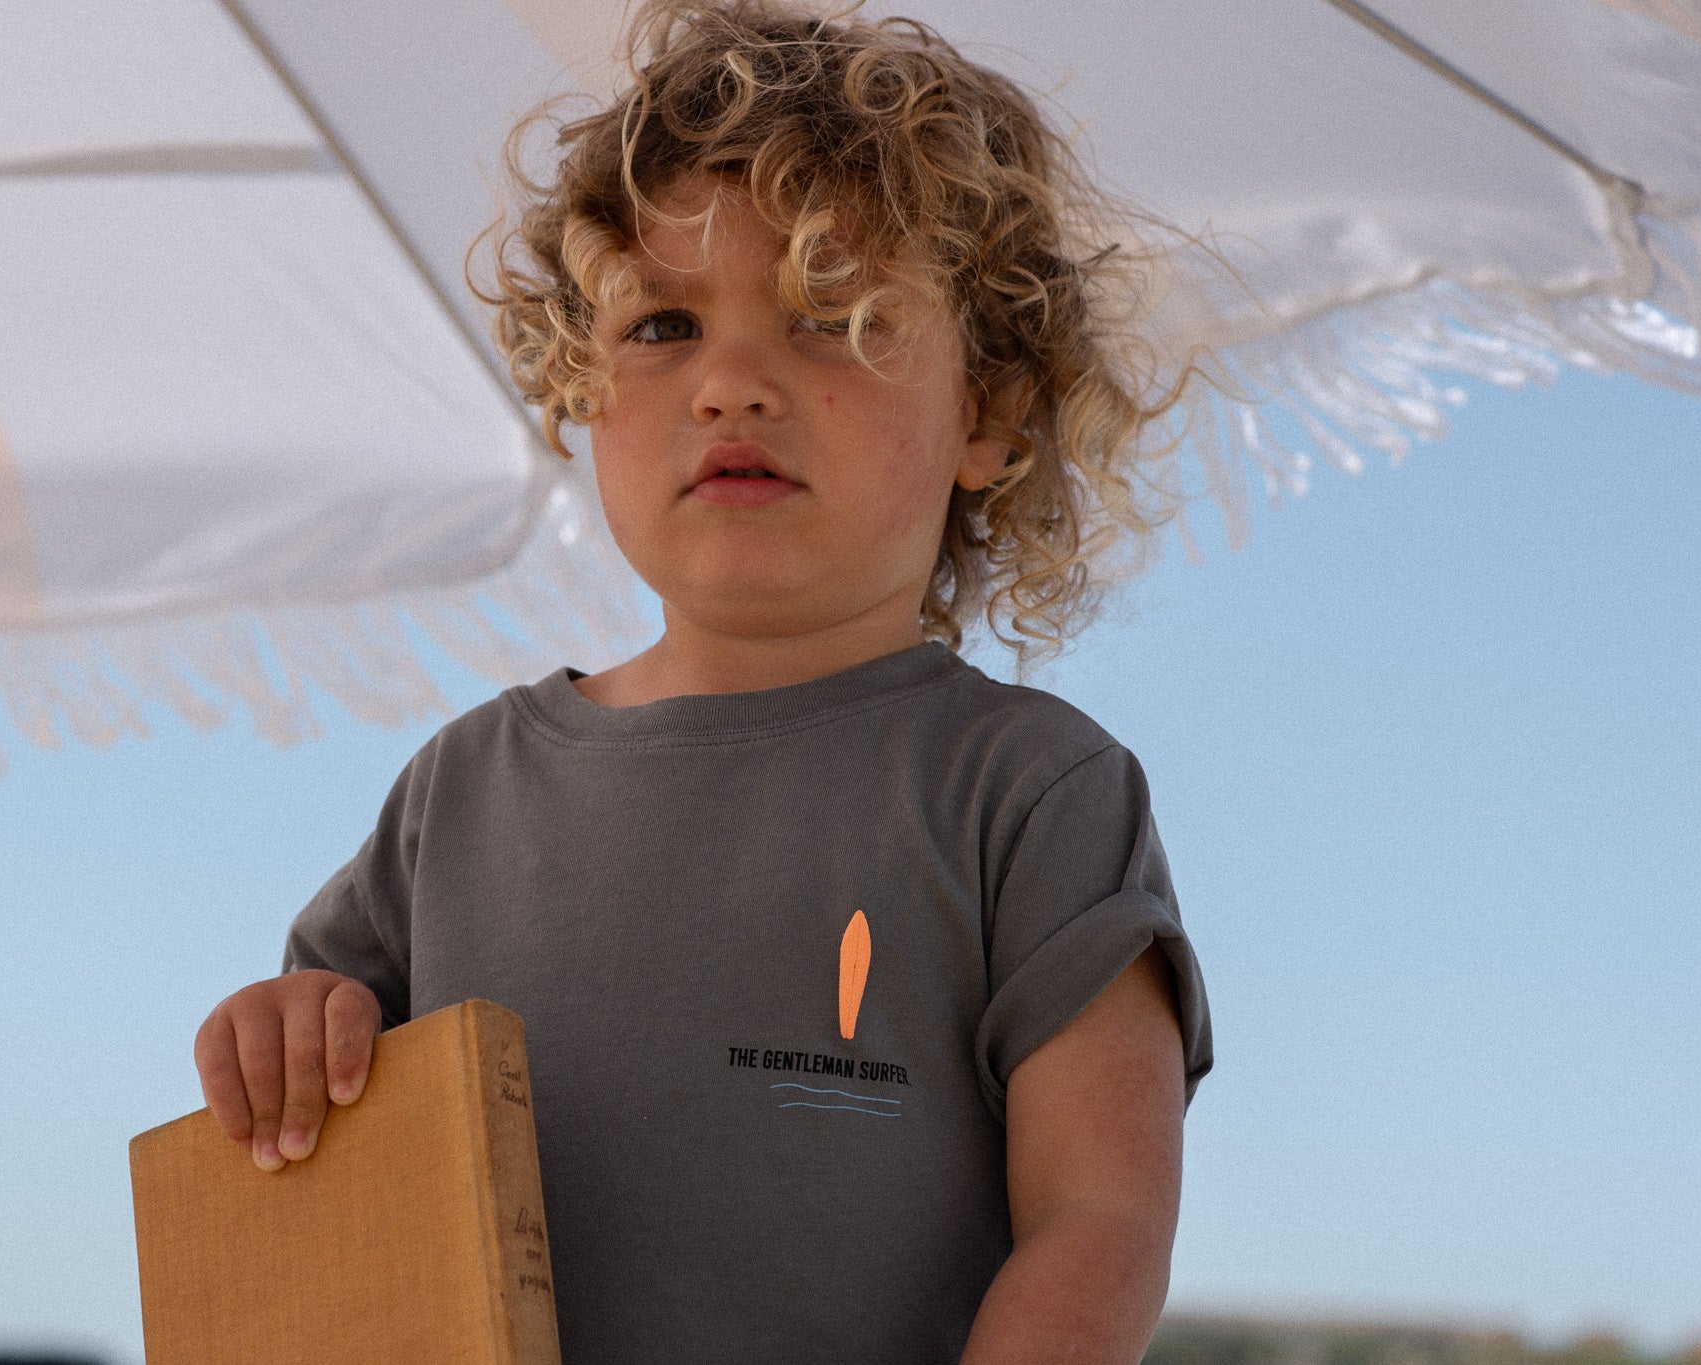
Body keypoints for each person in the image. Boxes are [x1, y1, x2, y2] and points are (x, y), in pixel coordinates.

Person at [193, 3, 1213, 1360]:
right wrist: (281, 1027)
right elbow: (315, 1104)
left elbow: (1100, 1219)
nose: (731, 382)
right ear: (579, 386)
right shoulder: (461, 794)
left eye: (832, 318)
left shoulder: (1029, 793)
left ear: (992, 412)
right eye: (663, 324)